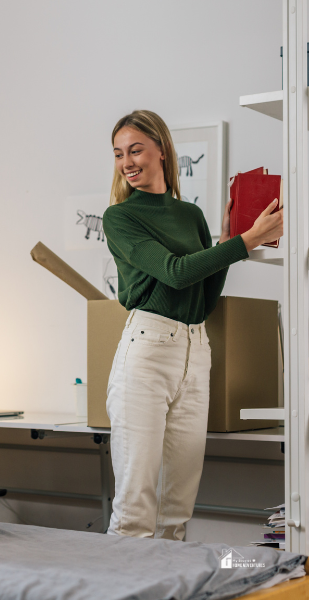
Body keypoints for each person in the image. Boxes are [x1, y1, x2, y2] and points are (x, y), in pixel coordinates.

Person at [103, 110, 283, 540]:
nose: (127, 161)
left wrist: (225, 242)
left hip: (195, 351)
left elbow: (203, 296)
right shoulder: (120, 218)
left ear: (161, 151)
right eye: (118, 154)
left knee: (175, 510)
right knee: (135, 509)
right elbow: (176, 272)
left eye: (136, 149)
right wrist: (244, 243)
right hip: (146, 352)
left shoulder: (191, 215)